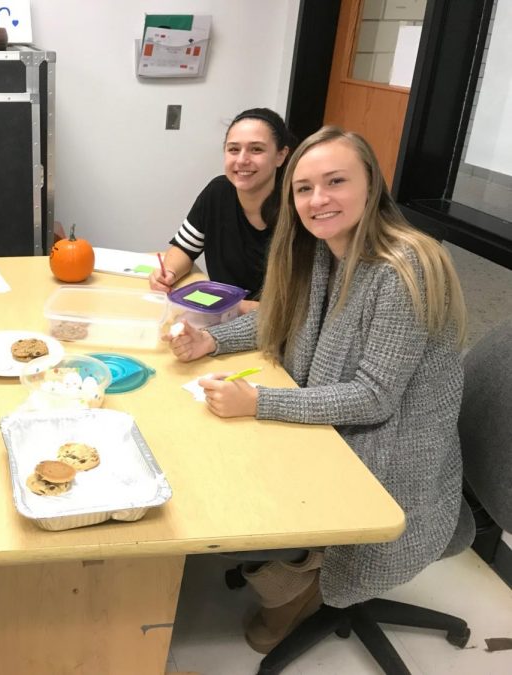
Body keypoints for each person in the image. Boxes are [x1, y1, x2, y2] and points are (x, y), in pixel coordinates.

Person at [165, 127, 467, 653]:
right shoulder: (323, 250)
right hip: (337, 427)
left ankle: (302, 576)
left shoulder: (403, 267)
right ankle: (289, 565)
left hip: (391, 458)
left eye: (335, 182)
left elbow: (374, 398)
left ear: (371, 184)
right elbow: (281, 322)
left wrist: (259, 401)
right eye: (304, 188)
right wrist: (208, 342)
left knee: (233, 480)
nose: (318, 199)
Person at [150, 108, 295, 313]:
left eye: (256, 150)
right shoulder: (217, 192)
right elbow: (185, 247)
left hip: (273, 330)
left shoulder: (297, 208)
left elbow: (300, 307)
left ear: (281, 155)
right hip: (220, 319)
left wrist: (237, 306)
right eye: (234, 150)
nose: (242, 160)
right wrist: (169, 272)